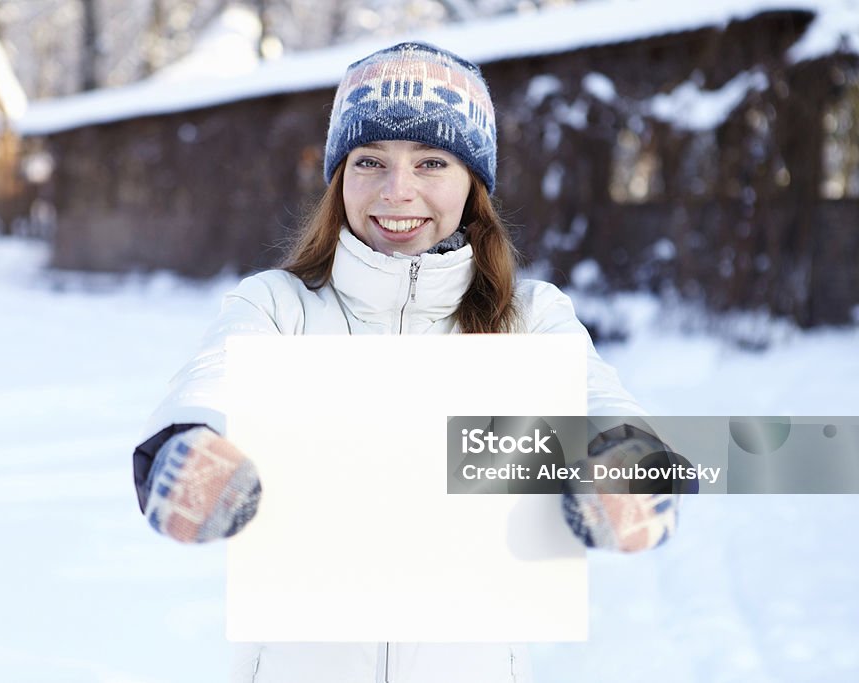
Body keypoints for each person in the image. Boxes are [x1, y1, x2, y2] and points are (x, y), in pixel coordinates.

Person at [132, 41, 678, 683]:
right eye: (370, 161)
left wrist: (629, 465)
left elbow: (600, 401)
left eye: (431, 162)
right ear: (340, 178)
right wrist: (190, 445)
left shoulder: (529, 318)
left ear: (473, 182)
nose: (398, 191)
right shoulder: (280, 307)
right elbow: (212, 378)